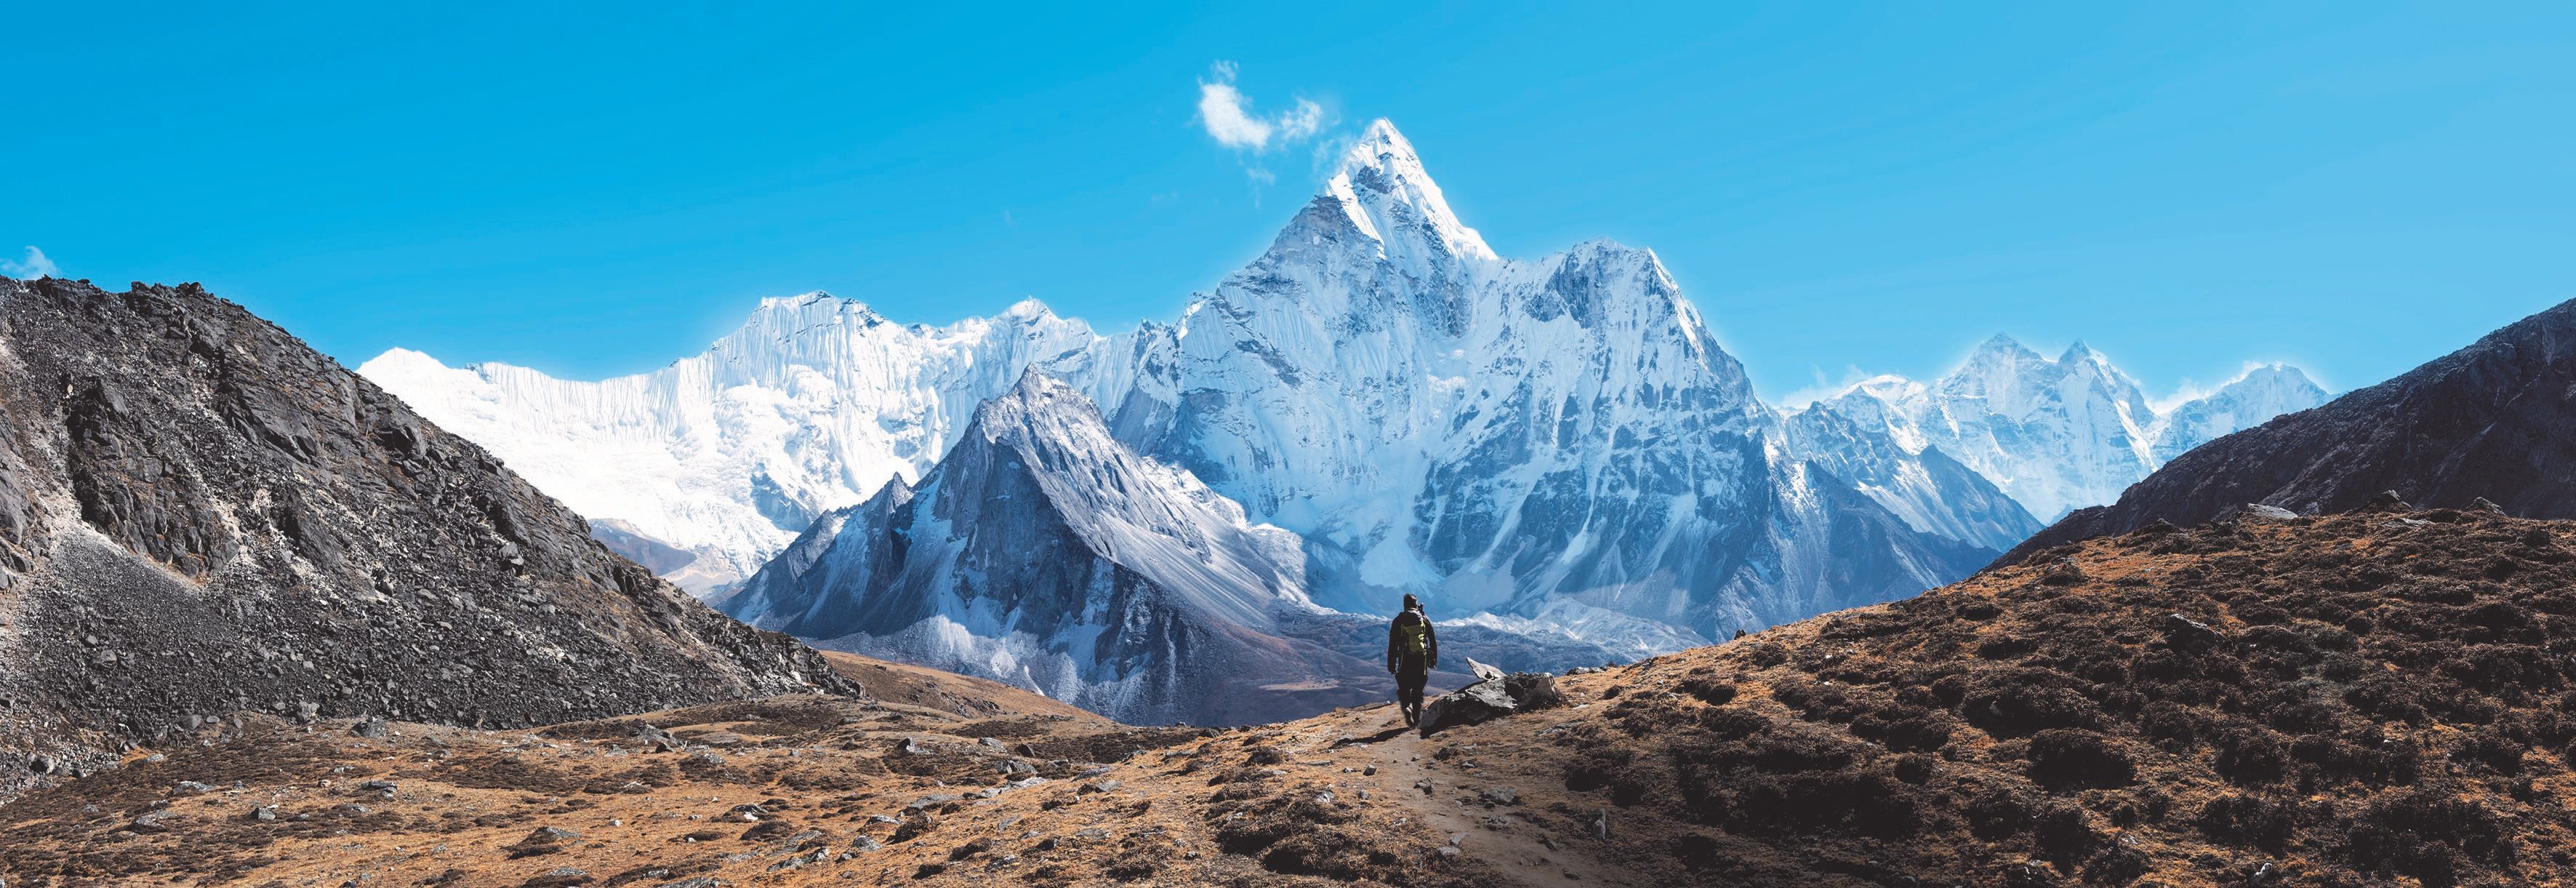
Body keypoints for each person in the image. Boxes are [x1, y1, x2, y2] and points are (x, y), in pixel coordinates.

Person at [1386, 593, 1439, 726]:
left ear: (1404, 605)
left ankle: (1407, 707)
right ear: (1416, 604)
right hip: (1421, 658)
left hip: (1405, 659)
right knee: (1418, 689)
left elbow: (1392, 644)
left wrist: (1391, 664)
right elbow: (1432, 640)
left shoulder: (1398, 621)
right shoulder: (1424, 619)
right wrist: (1433, 660)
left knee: (1404, 687)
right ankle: (1416, 719)